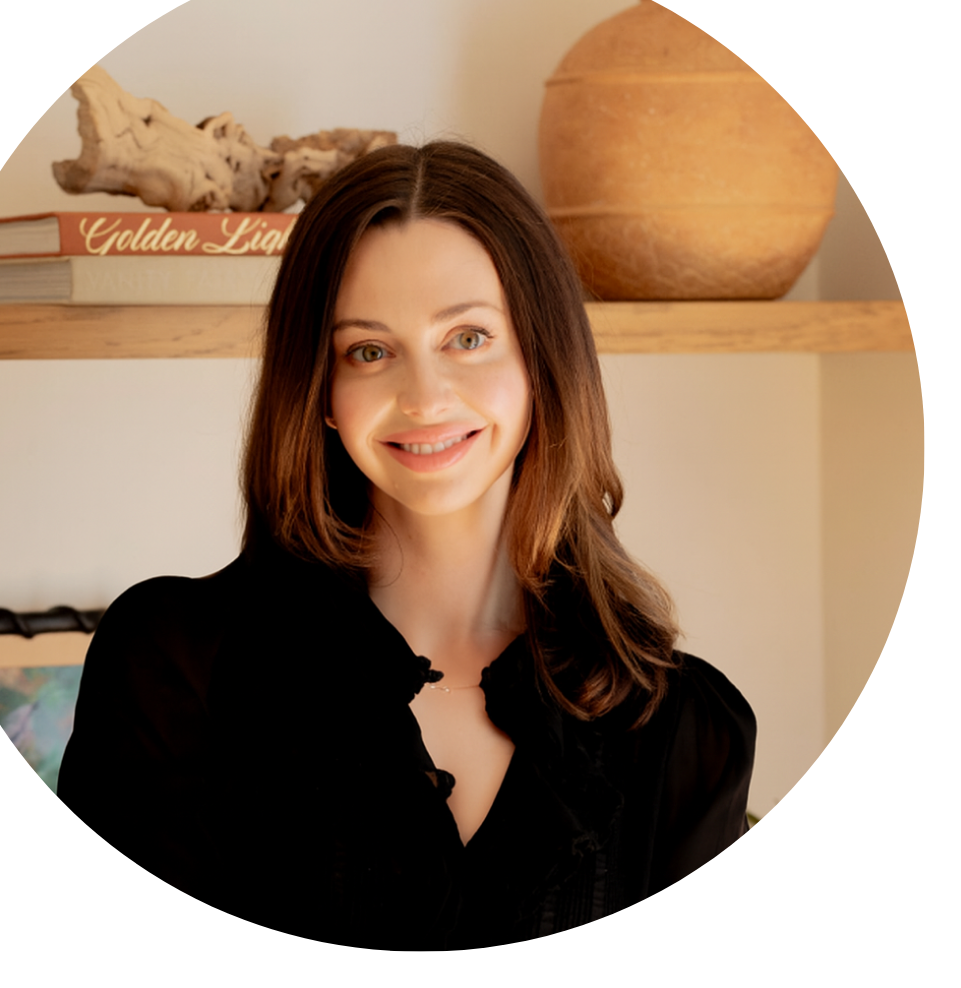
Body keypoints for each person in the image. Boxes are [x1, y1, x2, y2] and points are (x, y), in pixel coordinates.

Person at [57, 140, 755, 950]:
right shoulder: (176, 664)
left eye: (468, 338)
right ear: (320, 393)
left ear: (543, 360)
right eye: (370, 351)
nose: (424, 398)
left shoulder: (682, 726)